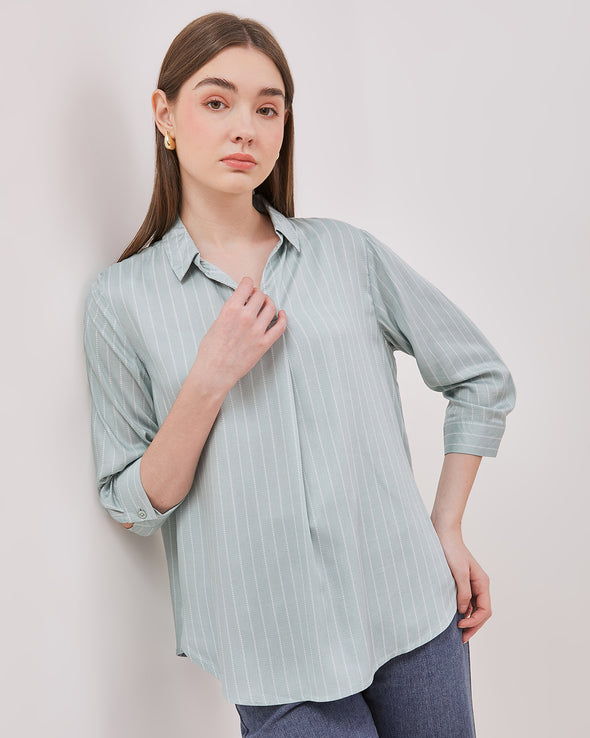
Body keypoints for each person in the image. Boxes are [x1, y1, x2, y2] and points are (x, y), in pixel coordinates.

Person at [83, 11, 516, 738]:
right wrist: (208, 378)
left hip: (412, 613)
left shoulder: (347, 255)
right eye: (217, 102)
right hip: (270, 646)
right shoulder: (121, 300)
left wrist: (446, 526)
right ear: (165, 114)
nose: (245, 128)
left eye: (267, 108)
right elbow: (132, 505)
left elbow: (480, 376)